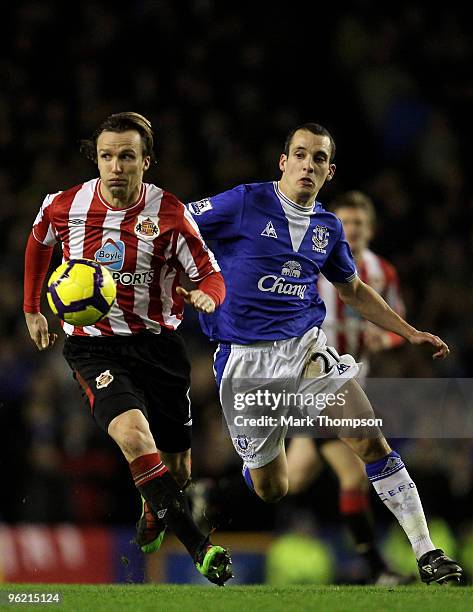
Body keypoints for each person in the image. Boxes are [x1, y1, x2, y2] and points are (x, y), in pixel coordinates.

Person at [181, 122, 463, 585]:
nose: (308, 164)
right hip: (245, 362)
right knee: (275, 487)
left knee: (370, 440)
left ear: (329, 171)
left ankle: (427, 552)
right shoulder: (245, 202)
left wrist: (409, 332)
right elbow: (180, 225)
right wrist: (187, 281)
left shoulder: (327, 227)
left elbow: (352, 289)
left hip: (305, 348)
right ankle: (208, 496)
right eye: (300, 154)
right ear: (283, 161)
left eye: (318, 159)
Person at [23, 111, 233, 586]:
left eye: (126, 156)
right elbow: (39, 240)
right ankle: (201, 548)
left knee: (176, 470)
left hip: (158, 346)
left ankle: (154, 503)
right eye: (106, 156)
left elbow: (212, 274)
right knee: (135, 438)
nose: (115, 166)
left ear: (146, 162)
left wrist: (207, 295)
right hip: (94, 349)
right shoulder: (65, 205)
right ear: (97, 159)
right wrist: (32, 307)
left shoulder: (172, 216)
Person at [286, 190, 411, 584]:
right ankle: (377, 570)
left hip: (354, 386)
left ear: (370, 229)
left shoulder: (382, 273)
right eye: (346, 223)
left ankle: (212, 497)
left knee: (289, 478)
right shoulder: (311, 263)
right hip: (315, 383)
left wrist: (384, 339)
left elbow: (395, 328)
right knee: (355, 475)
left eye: (359, 223)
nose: (352, 230)